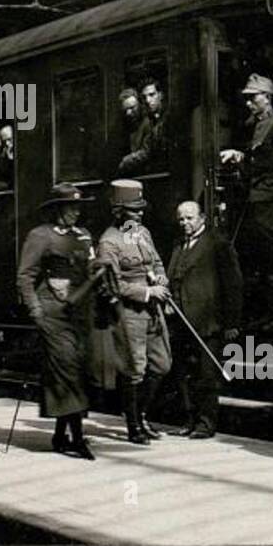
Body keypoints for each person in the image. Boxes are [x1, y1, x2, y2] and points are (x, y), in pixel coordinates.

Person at [17, 183, 99, 459]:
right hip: (52, 312)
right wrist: (36, 312)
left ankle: (59, 435)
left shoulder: (84, 236)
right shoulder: (40, 236)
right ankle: (76, 437)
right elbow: (25, 276)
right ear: (56, 210)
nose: (75, 212)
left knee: (75, 369)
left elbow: (90, 268)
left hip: (79, 312)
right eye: (69, 207)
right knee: (68, 369)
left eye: (78, 207)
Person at [220, 73, 273, 324]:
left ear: (268, 98)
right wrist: (240, 158)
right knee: (259, 261)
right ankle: (267, 312)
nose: (248, 103)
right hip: (256, 203)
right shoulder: (256, 127)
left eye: (252, 98)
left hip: (270, 205)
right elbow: (257, 165)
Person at [97, 179, 171, 444]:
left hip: (153, 309)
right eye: (133, 210)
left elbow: (157, 262)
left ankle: (141, 412)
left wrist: (161, 279)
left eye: (141, 209)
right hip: (130, 313)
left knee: (162, 364)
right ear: (118, 211)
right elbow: (112, 285)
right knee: (134, 369)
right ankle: (134, 425)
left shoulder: (143, 233)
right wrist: (148, 292)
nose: (139, 214)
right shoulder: (109, 242)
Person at [165, 201, 243, 438]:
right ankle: (189, 420)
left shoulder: (218, 244)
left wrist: (231, 323)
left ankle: (205, 424)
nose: (185, 223)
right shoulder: (179, 245)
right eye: (181, 219)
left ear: (202, 218)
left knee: (207, 375)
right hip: (181, 322)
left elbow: (233, 285)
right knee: (184, 374)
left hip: (208, 323)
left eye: (189, 218)